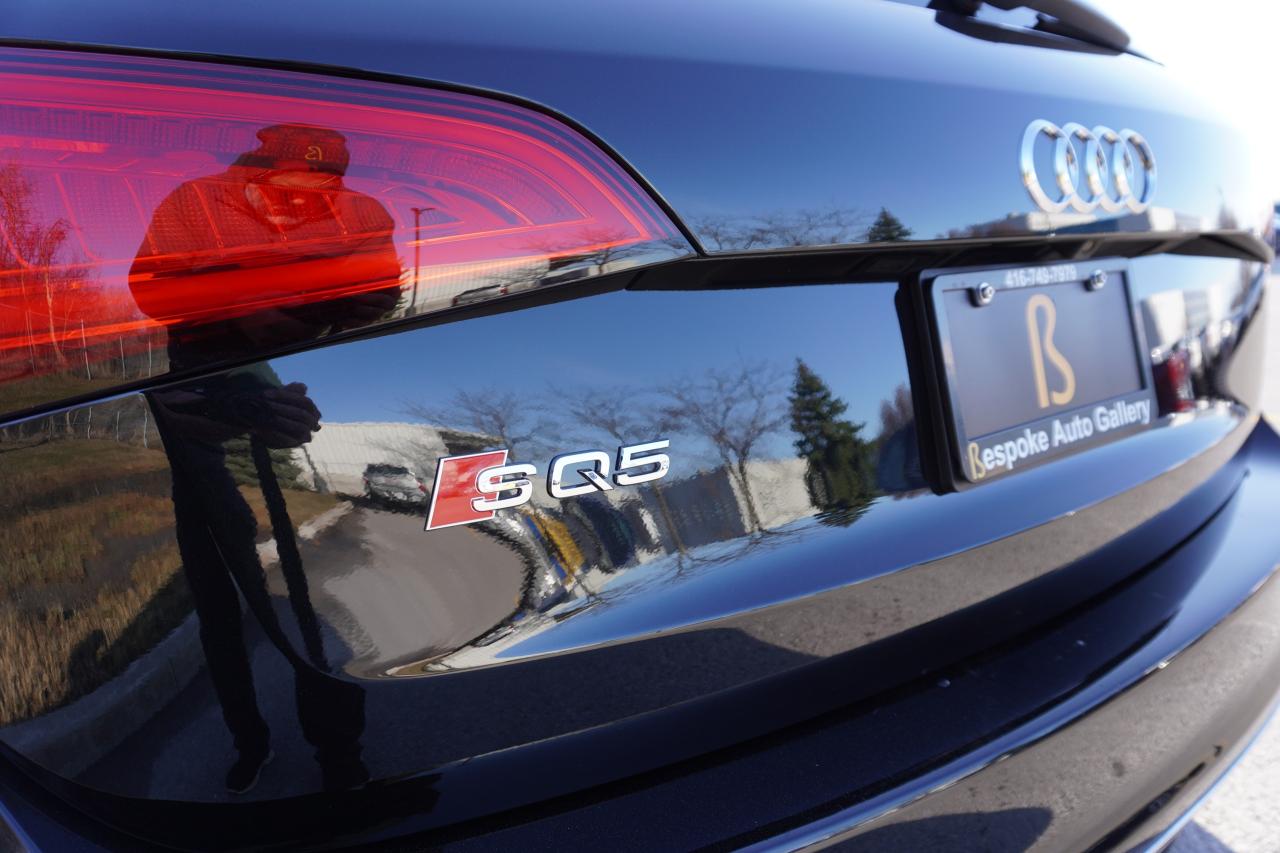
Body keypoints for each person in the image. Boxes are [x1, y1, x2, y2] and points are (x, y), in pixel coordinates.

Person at [131, 124, 402, 794]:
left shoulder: (365, 212)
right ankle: (248, 740)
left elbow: (382, 296)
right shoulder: (195, 201)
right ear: (257, 168)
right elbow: (150, 290)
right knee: (215, 585)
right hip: (203, 406)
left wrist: (302, 310)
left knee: (306, 597)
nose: (305, 203)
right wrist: (246, 303)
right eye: (289, 189)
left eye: (323, 191)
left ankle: (339, 753)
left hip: (297, 394)